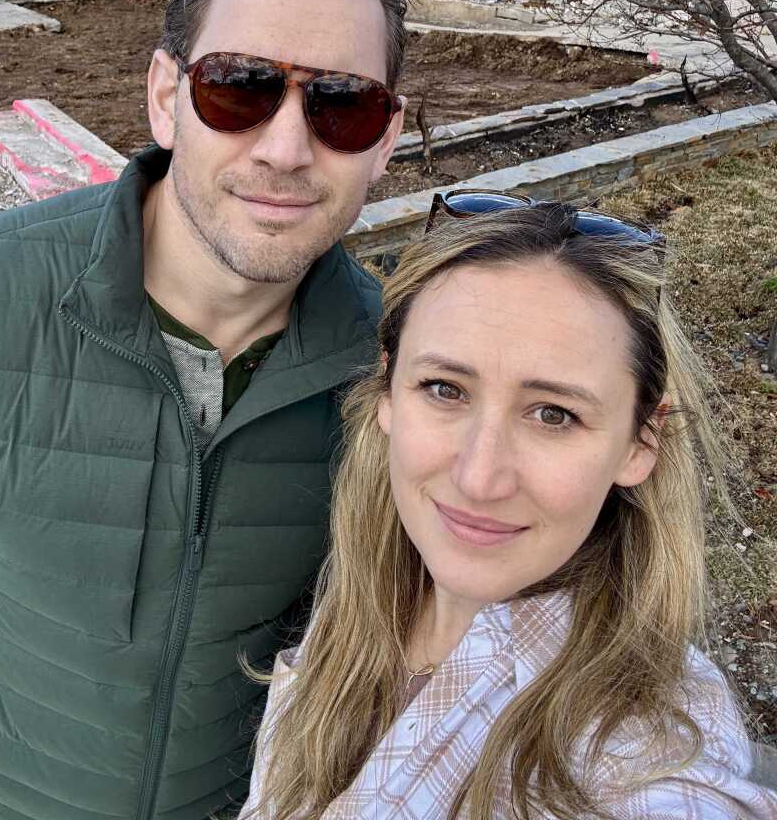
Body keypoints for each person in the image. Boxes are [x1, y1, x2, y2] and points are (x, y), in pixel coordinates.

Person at [0, 0, 407, 820]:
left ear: (387, 139)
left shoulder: (393, 377)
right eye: (240, 88)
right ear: (166, 95)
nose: (287, 149)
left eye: (343, 105)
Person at [241, 192, 777, 820]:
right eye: (445, 389)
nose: (479, 477)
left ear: (641, 441)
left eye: (554, 414)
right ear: (387, 391)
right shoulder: (354, 620)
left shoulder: (641, 753)